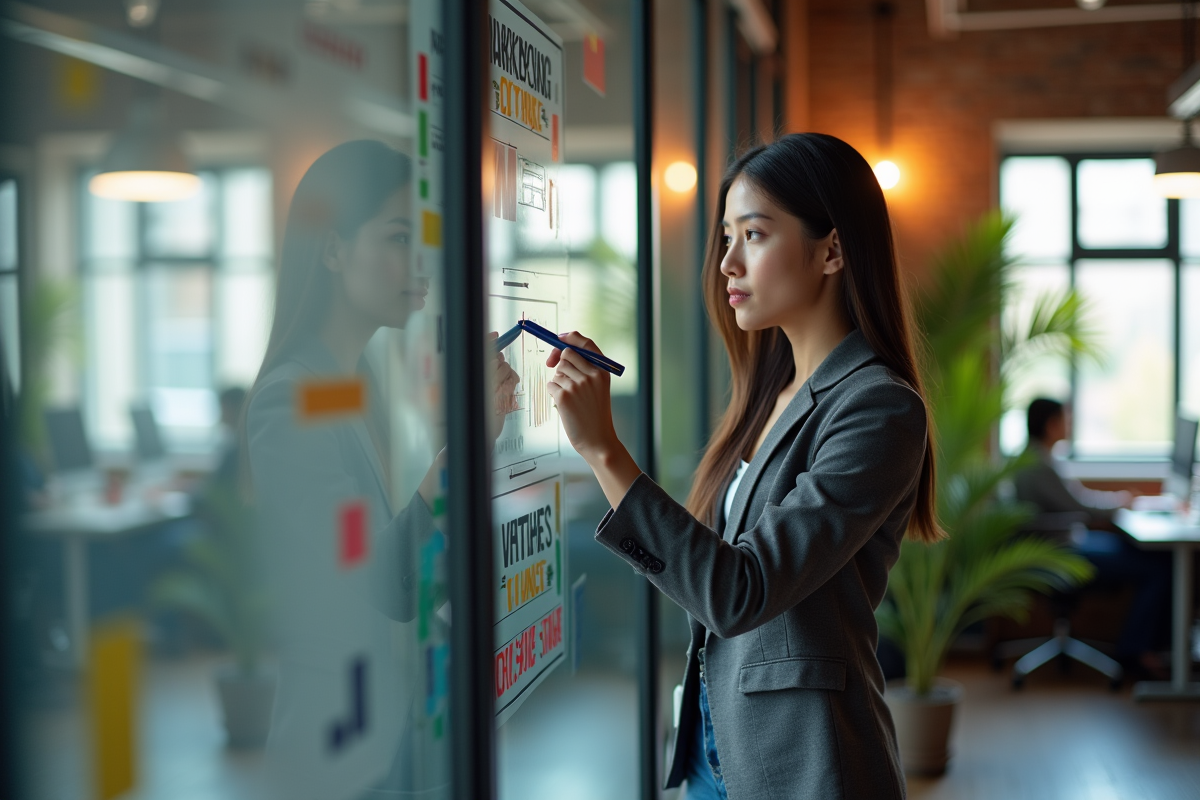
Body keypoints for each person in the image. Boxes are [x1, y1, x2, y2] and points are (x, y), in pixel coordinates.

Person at [546, 133, 941, 800]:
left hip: (803, 761)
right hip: (714, 747)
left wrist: (603, 451)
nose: (726, 262)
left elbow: (741, 592)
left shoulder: (878, 409)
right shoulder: (769, 396)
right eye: (725, 237)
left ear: (833, 250)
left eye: (753, 235)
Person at [243, 140, 517, 797]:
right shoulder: (293, 395)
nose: (419, 261)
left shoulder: (349, 385)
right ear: (333, 251)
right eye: (398, 237)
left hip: (388, 727)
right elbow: (385, 579)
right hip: (340, 750)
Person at [1013, 397, 1170, 677]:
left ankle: (1145, 648)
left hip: (1062, 543)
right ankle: (1136, 652)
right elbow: (1081, 507)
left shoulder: (1036, 457)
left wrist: (1118, 501)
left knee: (1146, 555)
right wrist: (1121, 502)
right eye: (1066, 420)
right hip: (1061, 552)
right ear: (1051, 425)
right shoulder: (1040, 466)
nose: (1070, 426)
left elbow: (1076, 500)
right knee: (1156, 567)